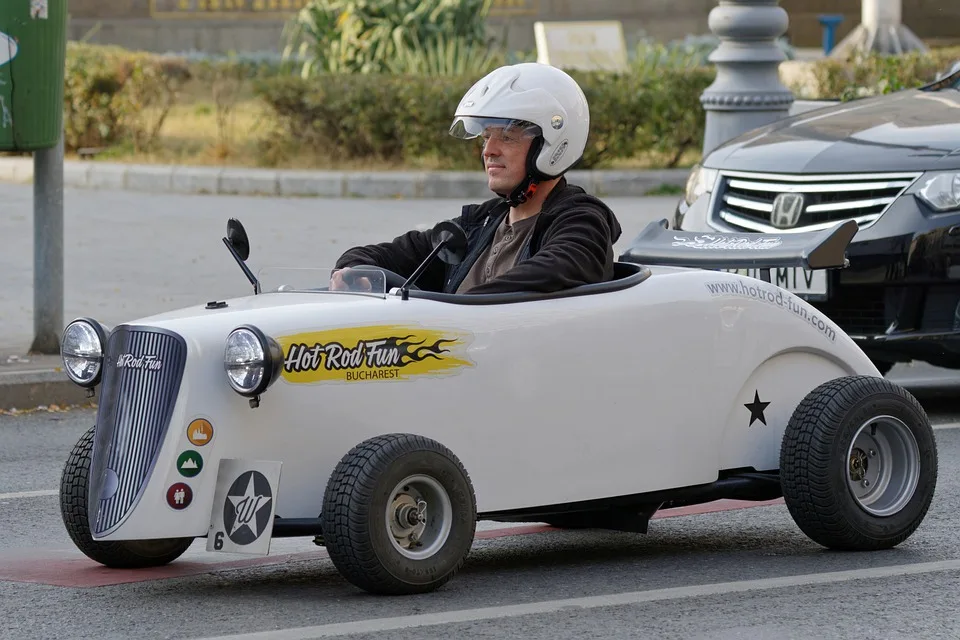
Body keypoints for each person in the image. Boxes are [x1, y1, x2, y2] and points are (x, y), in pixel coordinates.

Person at [331, 62, 622, 295]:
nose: (488, 151)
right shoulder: (479, 224)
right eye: (485, 137)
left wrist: (454, 308)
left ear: (552, 143)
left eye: (506, 137)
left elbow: (553, 271)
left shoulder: (582, 221)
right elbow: (389, 255)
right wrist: (353, 271)